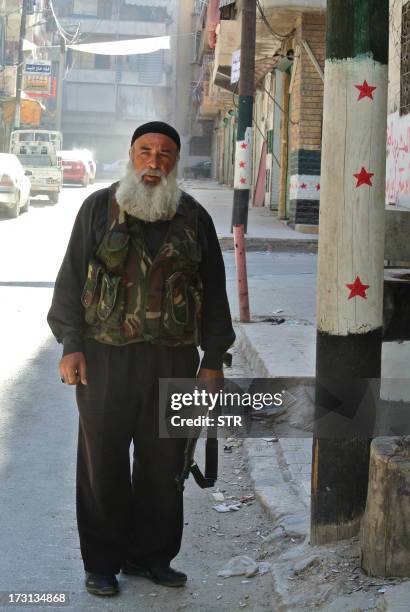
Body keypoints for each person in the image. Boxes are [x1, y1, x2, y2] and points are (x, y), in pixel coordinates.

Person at [47, 121, 235, 597]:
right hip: (104, 358)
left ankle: (151, 557)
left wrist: (212, 360)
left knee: (163, 464)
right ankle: (103, 563)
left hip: (173, 361)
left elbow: (214, 293)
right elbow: (70, 282)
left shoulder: (194, 217)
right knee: (102, 463)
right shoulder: (97, 208)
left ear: (176, 161)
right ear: (131, 155)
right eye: (146, 151)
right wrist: (70, 345)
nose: (155, 162)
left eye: (165, 154)